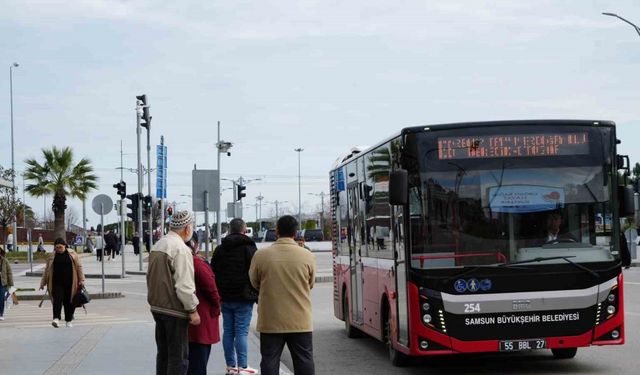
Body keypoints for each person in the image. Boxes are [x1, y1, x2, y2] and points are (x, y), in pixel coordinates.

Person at [249, 215, 317, 375]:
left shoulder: (261, 255)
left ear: (277, 232)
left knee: (269, 360)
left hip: (271, 319)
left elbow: (254, 281)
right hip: (300, 320)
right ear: (296, 232)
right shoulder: (307, 256)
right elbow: (310, 283)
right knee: (304, 360)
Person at [147, 210, 200, 375]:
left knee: (163, 356)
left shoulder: (158, 245)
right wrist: (192, 310)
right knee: (178, 358)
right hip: (174, 310)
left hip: (157, 307)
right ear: (187, 229)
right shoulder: (180, 249)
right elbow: (184, 285)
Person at [210, 218, 259, 375]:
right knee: (241, 332)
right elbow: (255, 272)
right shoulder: (249, 248)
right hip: (244, 297)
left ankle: (231, 366)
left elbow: (213, 272)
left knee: (228, 331)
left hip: (224, 296)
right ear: (244, 230)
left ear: (229, 230)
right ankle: (243, 366)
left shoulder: (219, 249)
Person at [186, 233, 221, 375]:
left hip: (189, 321)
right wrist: (217, 304)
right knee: (198, 362)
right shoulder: (196, 263)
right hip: (201, 318)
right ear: (194, 244)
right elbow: (210, 288)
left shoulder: (181, 260)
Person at [39, 238, 85, 328]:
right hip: (56, 283)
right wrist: (42, 283)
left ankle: (68, 320)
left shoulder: (72, 254)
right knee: (57, 300)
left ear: (65, 246)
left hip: (70, 283)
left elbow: (79, 267)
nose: (58, 249)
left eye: (60, 247)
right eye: (56, 247)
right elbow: (46, 271)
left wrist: (81, 279)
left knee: (69, 302)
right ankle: (56, 319)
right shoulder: (51, 256)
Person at [0, 247, 14, 321]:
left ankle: (1, 314)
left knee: (1, 299)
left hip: (3, 283)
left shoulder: (5, 261)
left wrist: (11, 284)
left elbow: (9, 273)